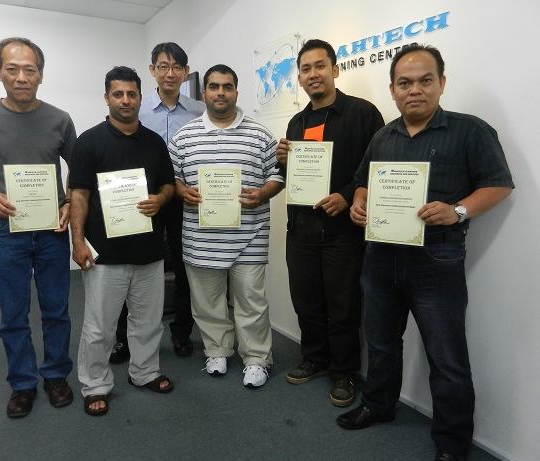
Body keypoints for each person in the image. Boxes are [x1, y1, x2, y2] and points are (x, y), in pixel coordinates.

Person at [337, 43, 514, 461]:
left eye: (424, 80)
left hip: (437, 260)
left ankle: (452, 442)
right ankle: (379, 405)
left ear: (441, 83)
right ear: (393, 90)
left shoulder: (470, 131)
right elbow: (363, 182)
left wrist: (457, 210)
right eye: (404, 83)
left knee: (446, 355)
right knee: (381, 343)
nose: (414, 89)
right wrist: (360, 203)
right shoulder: (383, 135)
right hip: (380, 257)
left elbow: (499, 185)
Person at [0, 37, 75, 418]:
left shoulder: (60, 119)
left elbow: (78, 168)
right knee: (13, 315)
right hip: (5, 232)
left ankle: (55, 375)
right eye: (13, 69)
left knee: (56, 310)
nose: (22, 77)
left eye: (29, 70)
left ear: (40, 74)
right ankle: (22, 383)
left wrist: (69, 201)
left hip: (52, 230)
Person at [275, 39, 384, 406]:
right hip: (301, 229)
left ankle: (343, 372)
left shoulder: (363, 114)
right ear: (300, 78)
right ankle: (315, 359)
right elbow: (292, 178)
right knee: (306, 301)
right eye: (305, 69)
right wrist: (283, 161)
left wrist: (348, 194)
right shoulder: (297, 121)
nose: (313, 74)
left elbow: (377, 167)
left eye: (319, 66)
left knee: (343, 304)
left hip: (343, 231)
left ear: (335, 70)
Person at [169, 64, 284, 388]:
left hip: (250, 235)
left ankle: (257, 358)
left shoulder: (260, 135)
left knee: (252, 302)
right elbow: (172, 177)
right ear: (204, 92)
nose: (221, 92)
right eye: (214, 86)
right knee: (207, 302)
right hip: (201, 238)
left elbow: (277, 175)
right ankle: (217, 350)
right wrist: (182, 191)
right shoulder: (183, 137)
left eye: (228, 86)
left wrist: (263, 193)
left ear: (236, 92)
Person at [69, 66, 175, 416]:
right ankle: (95, 384)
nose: (126, 100)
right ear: (107, 98)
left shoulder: (154, 142)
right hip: (106, 254)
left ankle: (144, 372)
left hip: (149, 251)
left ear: (140, 97)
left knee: (148, 322)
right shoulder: (88, 142)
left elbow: (168, 184)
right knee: (100, 327)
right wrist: (78, 242)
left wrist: (160, 199)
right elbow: (79, 195)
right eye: (118, 94)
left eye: (131, 94)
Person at [109, 42, 206, 363]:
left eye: (177, 67)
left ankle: (181, 332)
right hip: (141, 199)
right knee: (131, 266)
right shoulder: (137, 106)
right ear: (152, 70)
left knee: (184, 266)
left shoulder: (199, 111)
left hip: (183, 199)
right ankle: (122, 338)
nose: (170, 73)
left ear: (186, 71)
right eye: (163, 66)